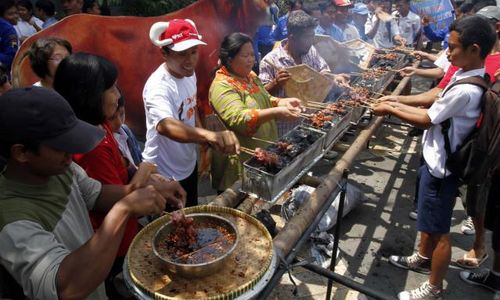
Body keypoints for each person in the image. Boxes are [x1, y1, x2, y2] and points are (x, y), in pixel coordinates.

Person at [0, 87, 170, 299]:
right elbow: (65, 287)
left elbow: (95, 195)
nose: (71, 154)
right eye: (61, 146)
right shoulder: (12, 221)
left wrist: (145, 190)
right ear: (22, 152)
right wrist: (125, 209)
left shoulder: (60, 168)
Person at [373, 15, 497, 299]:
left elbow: (428, 119)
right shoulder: (467, 75)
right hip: (435, 160)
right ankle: (422, 256)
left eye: (453, 47)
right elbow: (434, 102)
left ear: (474, 49)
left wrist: (390, 109)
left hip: (442, 168)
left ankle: (433, 287)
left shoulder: (466, 88)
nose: (448, 53)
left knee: (440, 230)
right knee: (428, 221)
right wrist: (395, 100)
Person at [143, 19, 239, 207]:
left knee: (192, 215)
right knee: (174, 229)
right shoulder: (158, 86)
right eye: (181, 54)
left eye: (194, 52)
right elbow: (165, 126)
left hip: (187, 164)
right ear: (164, 53)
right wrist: (209, 135)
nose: (189, 61)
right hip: (164, 173)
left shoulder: (188, 73)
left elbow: (191, 107)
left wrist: (205, 143)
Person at [209, 32, 303, 191]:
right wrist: (277, 112)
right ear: (230, 59)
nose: (251, 59)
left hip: (262, 156)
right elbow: (240, 119)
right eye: (245, 55)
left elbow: (264, 98)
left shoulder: (250, 76)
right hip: (239, 164)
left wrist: (281, 102)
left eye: (252, 54)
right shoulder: (221, 85)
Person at [260, 9, 349, 136]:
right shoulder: (270, 61)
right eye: (307, 37)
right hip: (285, 128)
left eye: (312, 36)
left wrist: (334, 77)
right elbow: (261, 98)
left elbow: (323, 70)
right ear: (292, 37)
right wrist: (276, 83)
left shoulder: (310, 51)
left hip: (310, 121)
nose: (311, 41)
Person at [0, 0, 18, 75]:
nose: (15, 16)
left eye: (16, 12)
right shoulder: (8, 29)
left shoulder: (9, 31)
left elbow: (11, 56)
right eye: (10, 14)